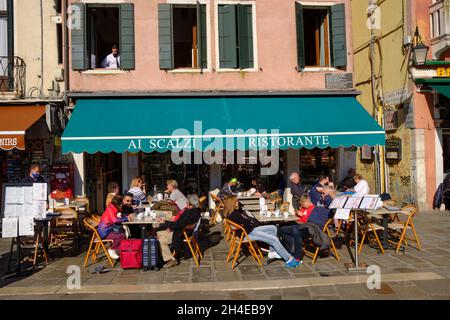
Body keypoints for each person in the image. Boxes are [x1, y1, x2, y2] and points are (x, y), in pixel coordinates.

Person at [228, 204, 300, 268]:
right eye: (236, 201)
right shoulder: (234, 214)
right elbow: (247, 223)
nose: (238, 202)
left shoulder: (234, 212)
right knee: (274, 239)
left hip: (250, 230)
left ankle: (272, 252)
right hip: (247, 234)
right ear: (231, 203)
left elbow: (248, 222)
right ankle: (289, 259)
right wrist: (248, 220)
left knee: (273, 228)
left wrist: (248, 220)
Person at [281, 195, 331, 262]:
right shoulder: (303, 208)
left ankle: (296, 255)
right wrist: (297, 214)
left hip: (307, 227)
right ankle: (290, 250)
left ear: (307, 201)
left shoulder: (313, 209)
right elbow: (300, 219)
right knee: (283, 228)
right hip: (300, 224)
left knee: (296, 231)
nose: (302, 205)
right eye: (301, 204)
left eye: (303, 204)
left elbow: (308, 221)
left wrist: (302, 215)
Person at [158, 194, 202, 268]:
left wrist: (166, 223)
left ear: (190, 204)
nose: (186, 203)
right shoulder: (193, 211)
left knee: (160, 239)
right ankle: (162, 256)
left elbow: (179, 224)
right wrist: (169, 225)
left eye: (187, 201)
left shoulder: (191, 213)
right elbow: (179, 222)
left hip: (181, 233)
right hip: (181, 231)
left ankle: (171, 259)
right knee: (157, 234)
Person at [98, 195, 132, 259]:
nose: (122, 205)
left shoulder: (112, 207)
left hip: (107, 230)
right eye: (122, 203)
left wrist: (126, 217)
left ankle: (119, 251)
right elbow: (115, 220)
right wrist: (127, 218)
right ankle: (112, 249)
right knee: (122, 236)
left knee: (122, 233)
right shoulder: (111, 209)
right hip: (105, 232)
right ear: (118, 204)